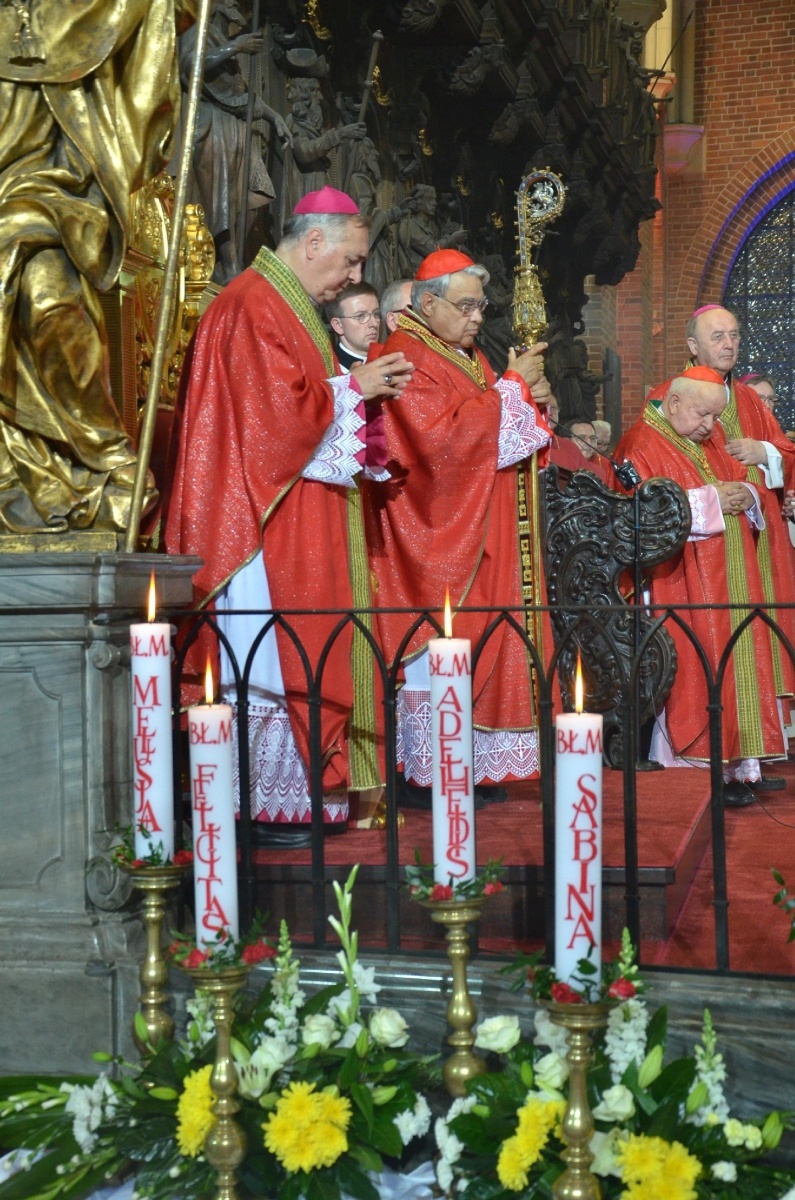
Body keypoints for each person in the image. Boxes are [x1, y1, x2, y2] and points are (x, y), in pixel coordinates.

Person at [165, 186, 413, 842]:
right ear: (313, 243)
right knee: (272, 661)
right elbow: (273, 422)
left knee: (297, 653)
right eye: (350, 259)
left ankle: (302, 797)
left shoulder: (283, 302)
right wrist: (352, 388)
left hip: (292, 509)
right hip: (261, 521)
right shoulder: (251, 304)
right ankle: (270, 805)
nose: (355, 275)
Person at [364, 248, 554, 794]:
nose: (477, 317)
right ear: (428, 304)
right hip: (435, 533)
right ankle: (433, 770)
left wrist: (529, 399)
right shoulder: (407, 354)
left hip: (483, 525)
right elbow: (439, 448)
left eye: (481, 306)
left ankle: (469, 757)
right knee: (446, 639)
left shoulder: (463, 356)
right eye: (466, 306)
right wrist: (514, 388)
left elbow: (494, 425)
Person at [0, 0, 193, 534]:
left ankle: (100, 455)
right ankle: (15, 473)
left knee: (51, 305)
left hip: (48, 196)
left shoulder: (74, 13)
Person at [614, 367, 786, 805]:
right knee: (696, 666)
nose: (710, 426)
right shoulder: (641, 442)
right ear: (673, 403)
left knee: (732, 667)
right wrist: (714, 498)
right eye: (702, 414)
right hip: (679, 581)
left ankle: (731, 767)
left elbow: (747, 485)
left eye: (715, 416)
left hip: (730, 576)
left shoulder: (705, 437)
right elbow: (639, 515)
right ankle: (693, 770)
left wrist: (748, 496)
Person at [674, 304, 795, 737]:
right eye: (717, 336)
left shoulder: (745, 398)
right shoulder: (673, 396)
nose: (729, 344)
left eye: (735, 335)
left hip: (756, 542)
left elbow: (786, 452)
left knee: (754, 639)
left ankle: (756, 749)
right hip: (703, 549)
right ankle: (718, 749)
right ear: (692, 345)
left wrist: (766, 454)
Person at [326, 282, 381, 372]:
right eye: (360, 316)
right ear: (338, 325)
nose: (374, 323)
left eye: (376, 314)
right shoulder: (329, 372)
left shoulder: (392, 360)